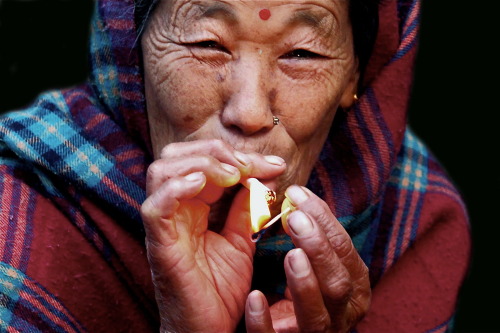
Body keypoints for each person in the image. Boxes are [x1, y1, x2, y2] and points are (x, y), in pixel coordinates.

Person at [0, 0, 471, 332]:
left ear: (354, 76)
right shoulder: (14, 215)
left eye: (302, 53)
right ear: (132, 50)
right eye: (208, 44)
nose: (248, 114)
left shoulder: (415, 224)